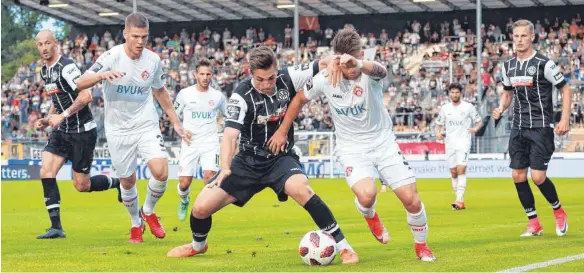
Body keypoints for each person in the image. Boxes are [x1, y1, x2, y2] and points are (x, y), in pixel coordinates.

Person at [167, 46, 359, 264]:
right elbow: (230, 136)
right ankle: (197, 246)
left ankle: (344, 247)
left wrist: (340, 60)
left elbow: (323, 62)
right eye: (260, 79)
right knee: (201, 208)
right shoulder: (240, 96)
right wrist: (227, 167)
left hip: (280, 158)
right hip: (247, 162)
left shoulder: (289, 77)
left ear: (277, 70)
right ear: (250, 73)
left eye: (271, 78)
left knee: (301, 188)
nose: (267, 84)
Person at [268, 29, 436, 262]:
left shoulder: (369, 73)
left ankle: (422, 246)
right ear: (337, 59)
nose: (350, 68)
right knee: (367, 196)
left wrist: (357, 63)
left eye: (354, 60)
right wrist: (282, 130)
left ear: (360, 54)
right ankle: (370, 215)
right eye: (345, 63)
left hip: (383, 142)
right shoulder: (326, 78)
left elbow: (382, 70)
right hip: (352, 148)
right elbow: (298, 100)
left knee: (411, 199)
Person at [76, 12, 185, 243]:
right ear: (125, 34)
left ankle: (148, 210)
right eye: (135, 36)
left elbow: (160, 90)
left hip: (145, 124)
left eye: (144, 37)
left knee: (161, 171)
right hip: (117, 129)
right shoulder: (110, 56)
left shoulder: (153, 60)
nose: (139, 42)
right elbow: (80, 82)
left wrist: (175, 120)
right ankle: (136, 223)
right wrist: (102, 75)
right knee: (127, 181)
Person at [34, 29, 121, 239]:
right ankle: (56, 227)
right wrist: (48, 119)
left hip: (82, 132)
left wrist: (61, 116)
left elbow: (85, 96)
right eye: (40, 44)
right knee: (46, 171)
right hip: (62, 132)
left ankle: (118, 183)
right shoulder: (44, 71)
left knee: (82, 185)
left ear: (55, 43)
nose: (44, 48)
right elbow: (58, 101)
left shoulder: (67, 66)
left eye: (48, 43)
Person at [493, 19, 570, 237]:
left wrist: (564, 119)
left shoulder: (545, 64)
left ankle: (558, 210)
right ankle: (534, 223)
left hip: (541, 127)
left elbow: (565, 90)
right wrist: (500, 107)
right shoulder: (508, 66)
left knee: (537, 177)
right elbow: (508, 94)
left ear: (532, 37)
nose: (519, 40)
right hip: (518, 127)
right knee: (518, 175)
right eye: (516, 36)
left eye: (523, 36)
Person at [173, 58, 227, 221]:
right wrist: (181, 130)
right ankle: (184, 200)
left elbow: (229, 115)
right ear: (195, 75)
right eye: (202, 74)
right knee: (184, 183)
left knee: (209, 177)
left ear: (212, 75)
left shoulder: (218, 97)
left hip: (210, 143)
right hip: (190, 143)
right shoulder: (185, 94)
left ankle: (204, 211)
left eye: (208, 74)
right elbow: (173, 114)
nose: (205, 77)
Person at [435, 83, 483, 210]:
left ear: (461, 93)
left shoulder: (468, 107)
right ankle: (459, 200)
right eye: (452, 92)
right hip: (450, 143)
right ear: (449, 94)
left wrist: (475, 128)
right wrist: (438, 133)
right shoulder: (445, 108)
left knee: (461, 169)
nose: (455, 94)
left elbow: (479, 121)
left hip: (463, 142)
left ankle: (459, 200)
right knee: (453, 172)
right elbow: (438, 124)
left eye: (457, 92)